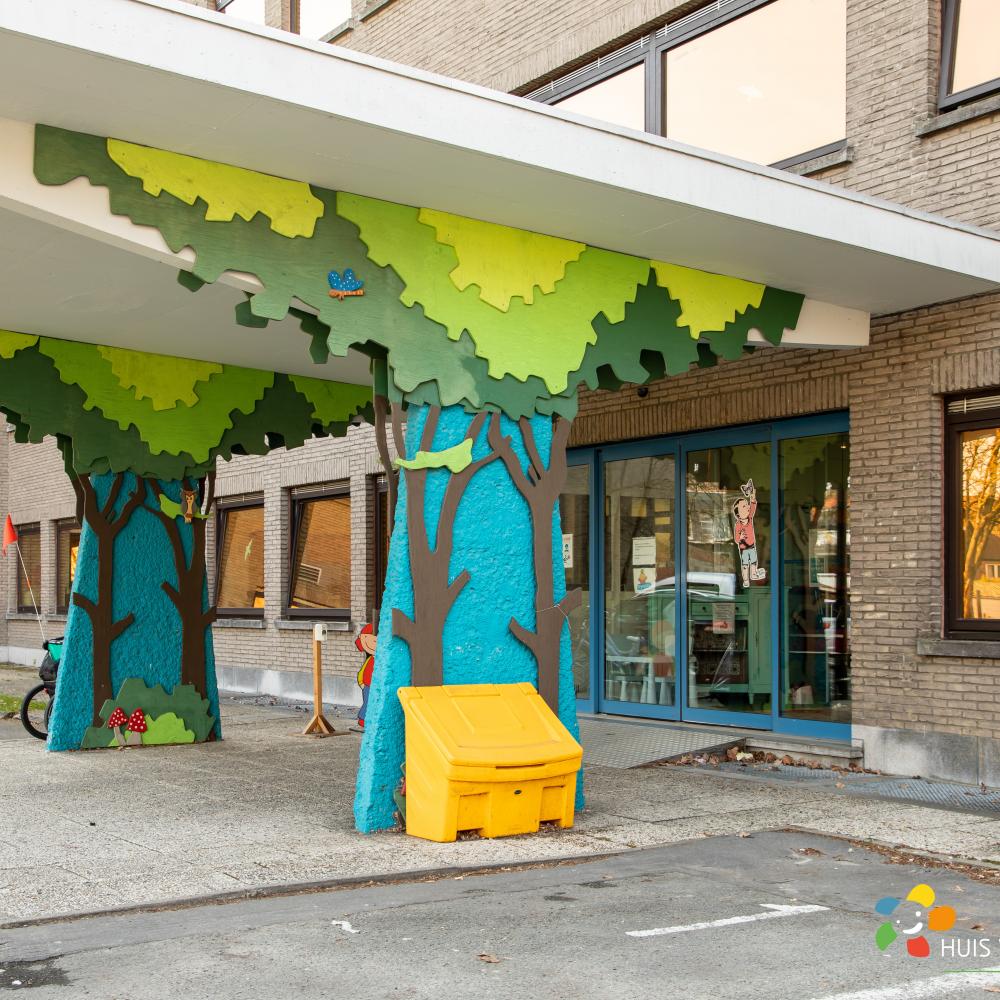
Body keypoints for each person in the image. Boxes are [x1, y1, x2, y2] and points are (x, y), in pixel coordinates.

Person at [732, 479, 766, 588]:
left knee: (754, 562)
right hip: (744, 549)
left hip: (752, 546)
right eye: (743, 506)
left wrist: (753, 497)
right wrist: (740, 537)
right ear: (738, 514)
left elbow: (753, 506)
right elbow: (736, 539)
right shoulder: (738, 525)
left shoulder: (750, 518)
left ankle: (754, 574)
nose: (747, 507)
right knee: (745, 565)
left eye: (746, 505)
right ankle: (746, 580)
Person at [353, 623, 377, 732]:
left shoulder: (378, 660)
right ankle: (363, 720)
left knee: (371, 703)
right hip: (367, 685)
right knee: (367, 703)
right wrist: (361, 682)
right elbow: (362, 671)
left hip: (374, 685)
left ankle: (367, 720)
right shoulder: (370, 659)